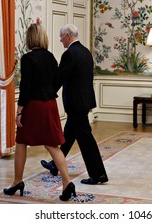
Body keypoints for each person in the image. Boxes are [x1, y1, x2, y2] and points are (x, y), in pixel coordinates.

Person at [3, 23, 75, 201]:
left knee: (21, 142)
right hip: (50, 104)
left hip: (34, 105)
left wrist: (19, 111)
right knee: (52, 144)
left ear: (29, 38)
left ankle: (17, 181)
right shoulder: (51, 57)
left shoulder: (28, 58)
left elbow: (26, 87)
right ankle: (67, 182)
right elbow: (56, 80)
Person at [40, 24, 108, 185]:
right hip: (84, 101)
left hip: (76, 103)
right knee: (68, 134)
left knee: (86, 139)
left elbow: (60, 78)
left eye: (61, 36)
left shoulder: (70, 53)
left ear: (68, 35)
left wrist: (46, 95)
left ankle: (98, 174)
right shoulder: (85, 52)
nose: (60, 39)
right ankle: (55, 164)